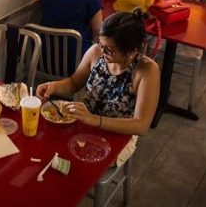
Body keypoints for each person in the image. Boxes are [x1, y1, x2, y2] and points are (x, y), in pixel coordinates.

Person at [36, 11, 160, 145]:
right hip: (85, 123)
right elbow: (74, 83)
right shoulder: (96, 51)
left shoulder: (146, 70)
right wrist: (54, 86)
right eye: (101, 44)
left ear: (132, 51)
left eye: (109, 50)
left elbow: (141, 125)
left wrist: (95, 120)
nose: (102, 52)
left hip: (118, 135)